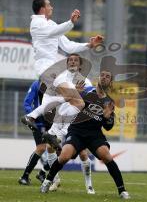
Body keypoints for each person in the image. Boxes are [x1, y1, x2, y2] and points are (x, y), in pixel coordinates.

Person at [40, 70, 130, 199]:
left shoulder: (109, 102)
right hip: (77, 130)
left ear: (110, 83)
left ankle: (122, 191)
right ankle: (48, 181)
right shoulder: (86, 92)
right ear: (98, 78)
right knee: (64, 156)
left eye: (107, 77)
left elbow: (108, 127)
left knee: (106, 156)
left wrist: (106, 117)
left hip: (95, 134)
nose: (104, 78)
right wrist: (75, 94)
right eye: (102, 75)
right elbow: (68, 104)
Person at [21, 0, 103, 130]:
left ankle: (48, 129)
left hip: (53, 68)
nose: (52, 7)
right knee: (74, 98)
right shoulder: (36, 23)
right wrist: (70, 22)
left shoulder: (51, 24)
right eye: (49, 5)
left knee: (78, 102)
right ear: (42, 9)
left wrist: (89, 45)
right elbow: (54, 32)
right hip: (45, 68)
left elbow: (68, 46)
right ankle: (44, 124)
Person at [45, 54, 95, 193]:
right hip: (59, 117)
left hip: (75, 121)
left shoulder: (85, 81)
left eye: (76, 60)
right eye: (70, 60)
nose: (73, 62)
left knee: (83, 153)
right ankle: (55, 180)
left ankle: (89, 185)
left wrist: (79, 94)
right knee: (49, 146)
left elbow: (89, 101)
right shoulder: (60, 79)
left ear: (80, 65)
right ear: (67, 64)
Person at [18, 80, 52, 185]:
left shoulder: (58, 83)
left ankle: (42, 173)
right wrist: (33, 116)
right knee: (41, 148)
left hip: (53, 122)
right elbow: (27, 103)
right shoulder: (36, 84)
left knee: (57, 149)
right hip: (39, 122)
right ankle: (25, 176)